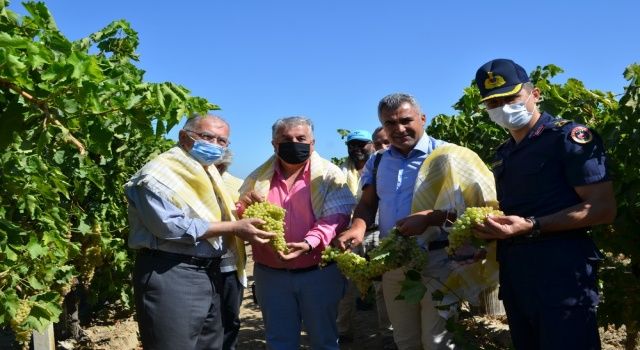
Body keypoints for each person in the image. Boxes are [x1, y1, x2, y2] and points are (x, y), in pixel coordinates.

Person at [472, 58, 616, 350]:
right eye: (492, 102)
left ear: (534, 94)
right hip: (517, 278)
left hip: (562, 275)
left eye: (510, 97)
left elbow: (601, 208)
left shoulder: (569, 138)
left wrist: (533, 225)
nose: (502, 107)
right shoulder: (504, 154)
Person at [336, 93, 498, 350]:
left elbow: (481, 210)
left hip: (440, 261)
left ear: (423, 118)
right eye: (390, 123)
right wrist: (357, 227)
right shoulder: (377, 162)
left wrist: (431, 218)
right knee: (405, 340)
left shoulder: (449, 157)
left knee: (437, 342)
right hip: (394, 261)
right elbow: (368, 204)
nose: (399, 129)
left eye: (406, 120)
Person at [125, 114, 274, 350]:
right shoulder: (157, 175)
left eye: (222, 141)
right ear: (184, 137)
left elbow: (209, 215)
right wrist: (234, 228)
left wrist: (242, 208)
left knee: (210, 344)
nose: (215, 145)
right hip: (172, 270)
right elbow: (170, 227)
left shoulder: (207, 172)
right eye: (207, 137)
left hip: (209, 272)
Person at [238, 116, 356, 349]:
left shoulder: (330, 176)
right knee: (279, 340)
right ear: (274, 144)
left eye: (301, 138)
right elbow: (243, 214)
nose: (294, 143)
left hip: (318, 273)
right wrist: (243, 207)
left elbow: (337, 216)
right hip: (270, 275)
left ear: (312, 143)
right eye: (286, 139)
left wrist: (309, 242)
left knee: (324, 339)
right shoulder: (257, 178)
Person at [214, 148, 245, 350]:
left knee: (230, 317)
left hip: (230, 264)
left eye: (219, 166)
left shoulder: (237, 185)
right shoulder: (188, 184)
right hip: (192, 266)